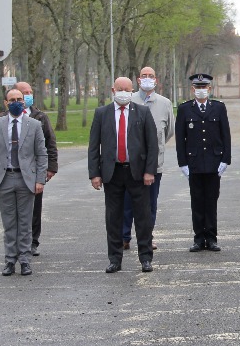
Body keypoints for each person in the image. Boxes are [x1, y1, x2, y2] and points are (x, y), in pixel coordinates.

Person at [88, 77, 159, 273]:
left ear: (132, 91)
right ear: (113, 90)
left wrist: (149, 171)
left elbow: (152, 145)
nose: (123, 93)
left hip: (137, 173)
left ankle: (145, 258)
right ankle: (114, 259)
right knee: (113, 218)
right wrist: (94, 174)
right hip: (112, 173)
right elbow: (94, 146)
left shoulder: (142, 112)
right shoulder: (102, 113)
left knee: (143, 217)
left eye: (127, 89)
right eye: (120, 89)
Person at [0, 89, 48, 276]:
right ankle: (10, 260)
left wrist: (40, 179)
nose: (17, 102)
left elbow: (41, 154)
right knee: (9, 223)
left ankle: (25, 260)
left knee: (25, 222)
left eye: (19, 99)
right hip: (4, 179)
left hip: (26, 179)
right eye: (12, 99)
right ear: (6, 102)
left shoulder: (34, 125)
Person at [0, 82, 58, 257]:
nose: (28, 95)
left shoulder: (40, 117)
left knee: (33, 209)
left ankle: (32, 242)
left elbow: (49, 144)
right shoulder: (1, 119)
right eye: (25, 92)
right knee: (12, 213)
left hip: (33, 172)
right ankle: (14, 246)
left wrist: (50, 168)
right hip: (9, 173)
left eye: (30, 92)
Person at [176, 73, 231, 253]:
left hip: (214, 162)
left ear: (209, 88)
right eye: (198, 87)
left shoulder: (218, 108)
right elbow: (180, 139)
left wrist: (225, 159)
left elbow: (226, 135)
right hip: (194, 163)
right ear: (193, 89)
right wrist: (183, 163)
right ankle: (199, 238)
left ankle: (212, 238)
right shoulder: (185, 109)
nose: (201, 90)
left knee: (211, 202)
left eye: (204, 87)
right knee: (197, 202)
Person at [122, 67, 175, 251]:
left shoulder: (165, 103)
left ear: (156, 80)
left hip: (154, 165)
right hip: (130, 164)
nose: (147, 79)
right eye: (144, 76)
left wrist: (154, 148)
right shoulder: (129, 100)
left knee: (150, 204)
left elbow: (169, 131)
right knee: (127, 202)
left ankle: (147, 237)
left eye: (150, 76)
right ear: (138, 80)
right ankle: (124, 236)